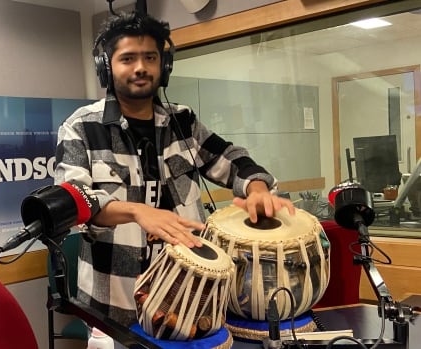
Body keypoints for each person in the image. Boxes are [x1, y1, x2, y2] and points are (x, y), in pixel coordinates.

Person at [53, 11, 295, 327]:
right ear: (106, 67)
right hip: (114, 305)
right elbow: (75, 201)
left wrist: (256, 188)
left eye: (150, 58)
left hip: (190, 301)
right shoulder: (80, 128)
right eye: (127, 58)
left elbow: (232, 159)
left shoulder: (184, 122)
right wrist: (137, 212)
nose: (140, 67)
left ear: (163, 66)